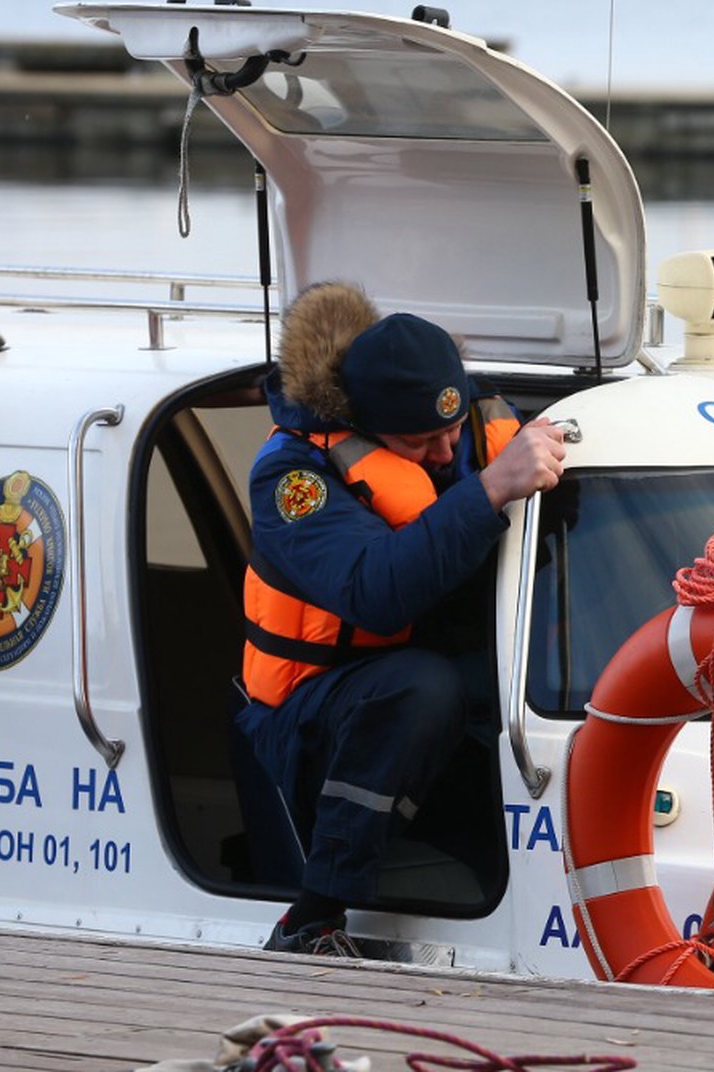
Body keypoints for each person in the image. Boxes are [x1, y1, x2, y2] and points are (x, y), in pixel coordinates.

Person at [238, 281, 567, 955]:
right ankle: (313, 915)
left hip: (433, 686)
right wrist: (491, 488)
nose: (445, 454)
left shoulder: (471, 428)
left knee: (510, 692)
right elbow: (376, 591)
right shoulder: (293, 479)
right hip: (314, 714)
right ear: (366, 425)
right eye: (420, 443)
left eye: (453, 430)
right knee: (422, 687)